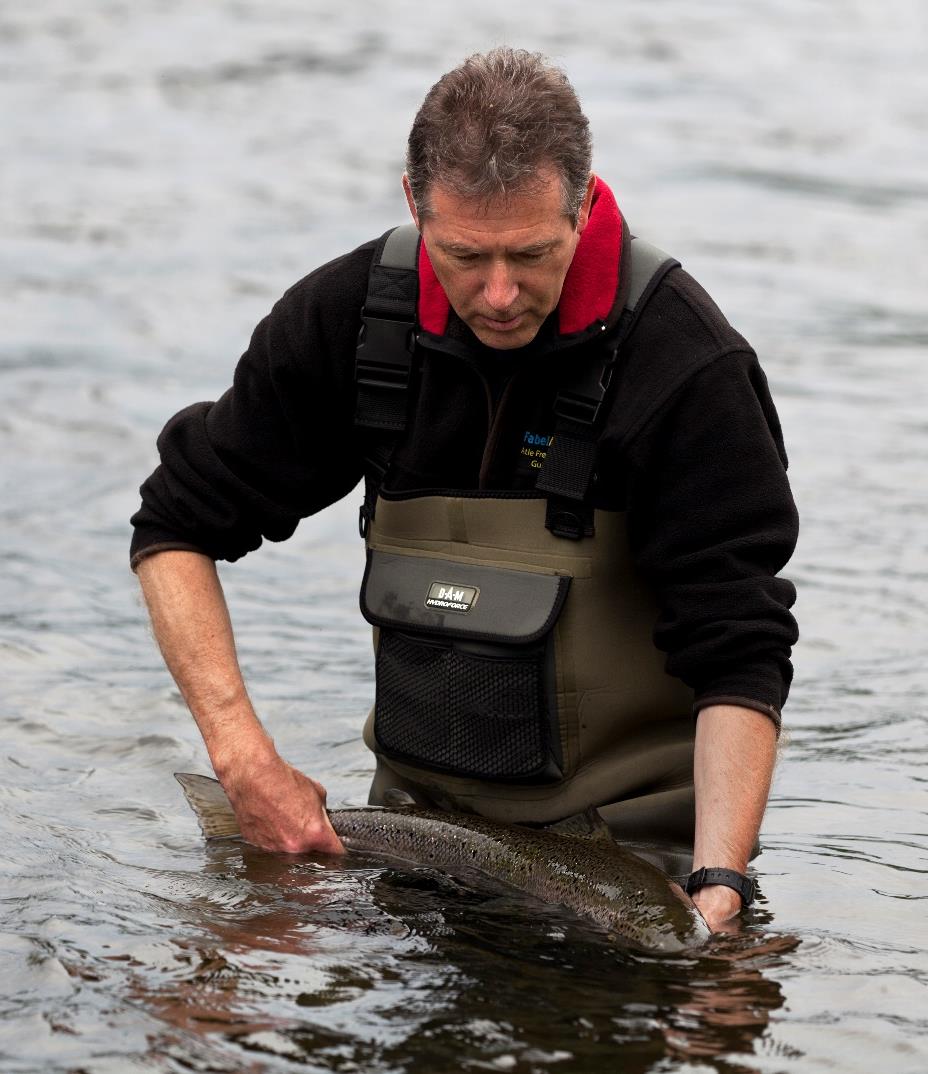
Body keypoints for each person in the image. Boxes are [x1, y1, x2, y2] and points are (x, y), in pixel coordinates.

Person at [131, 48, 798, 932]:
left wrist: (721, 886)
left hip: (630, 878)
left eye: (530, 254)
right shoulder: (351, 323)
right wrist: (244, 758)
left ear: (584, 206)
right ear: (414, 206)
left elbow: (740, 647)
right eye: (463, 254)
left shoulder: (684, 364)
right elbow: (172, 528)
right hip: (409, 852)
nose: (497, 294)